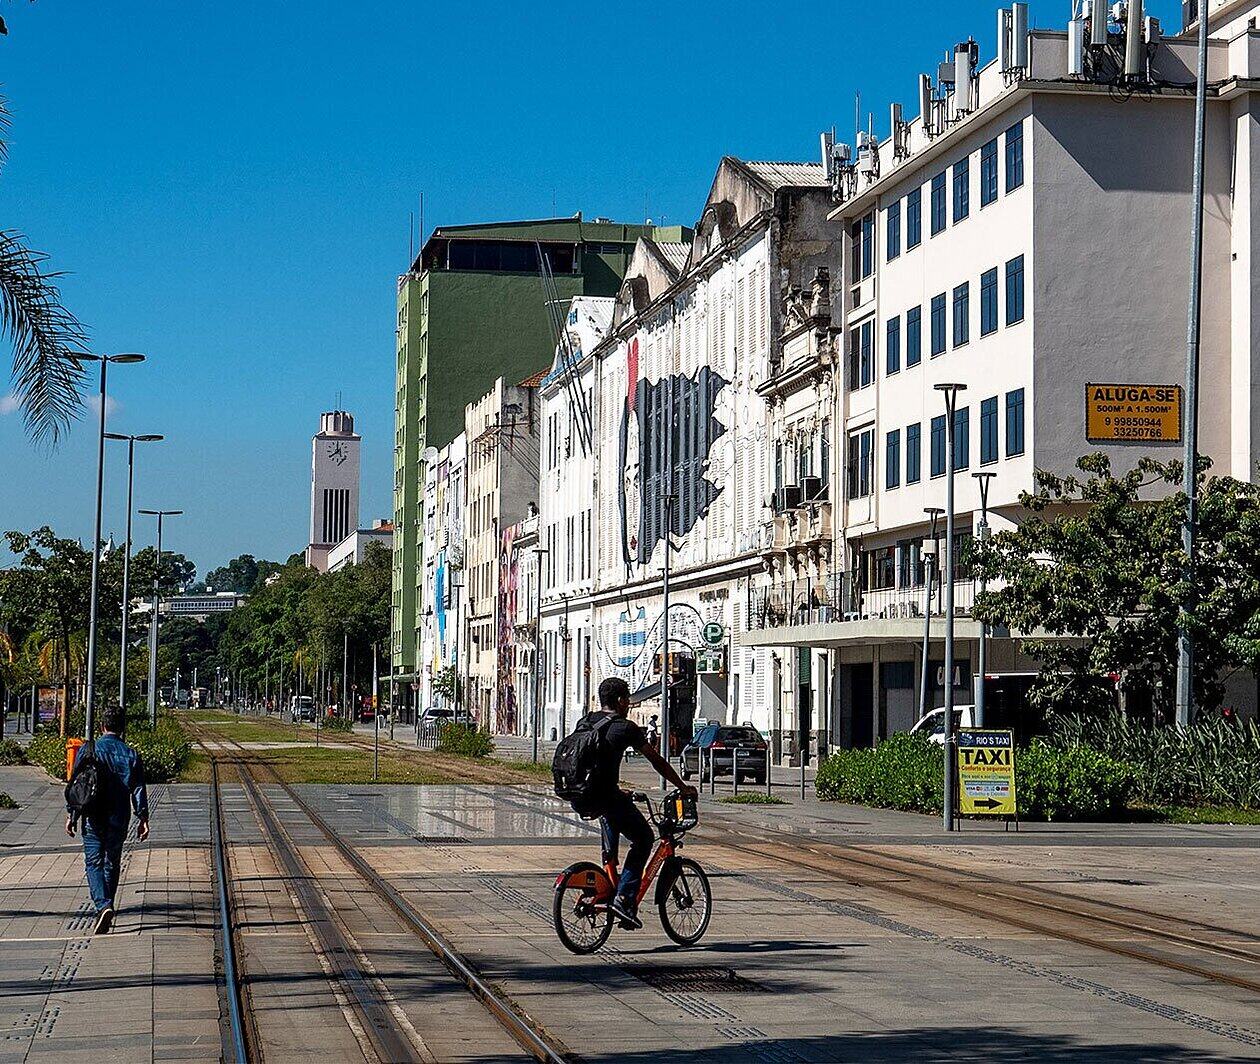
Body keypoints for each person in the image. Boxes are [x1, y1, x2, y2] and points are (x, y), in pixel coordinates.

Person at [583, 677, 694, 929]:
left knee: (613, 821)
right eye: (628, 699)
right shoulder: (626, 727)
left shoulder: (588, 721)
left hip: (585, 794)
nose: (629, 703)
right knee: (643, 838)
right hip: (606, 796)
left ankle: (612, 886)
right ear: (621, 701)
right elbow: (657, 761)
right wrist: (682, 786)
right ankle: (623, 899)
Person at [65, 704, 150, 934]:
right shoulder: (131, 754)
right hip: (119, 816)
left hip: (93, 815)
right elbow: (138, 788)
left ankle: (103, 906)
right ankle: (107, 907)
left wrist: (72, 814)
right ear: (122, 728)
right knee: (112, 862)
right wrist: (143, 818)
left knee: (93, 863)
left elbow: (77, 784)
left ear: (102, 726)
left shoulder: (89, 749)